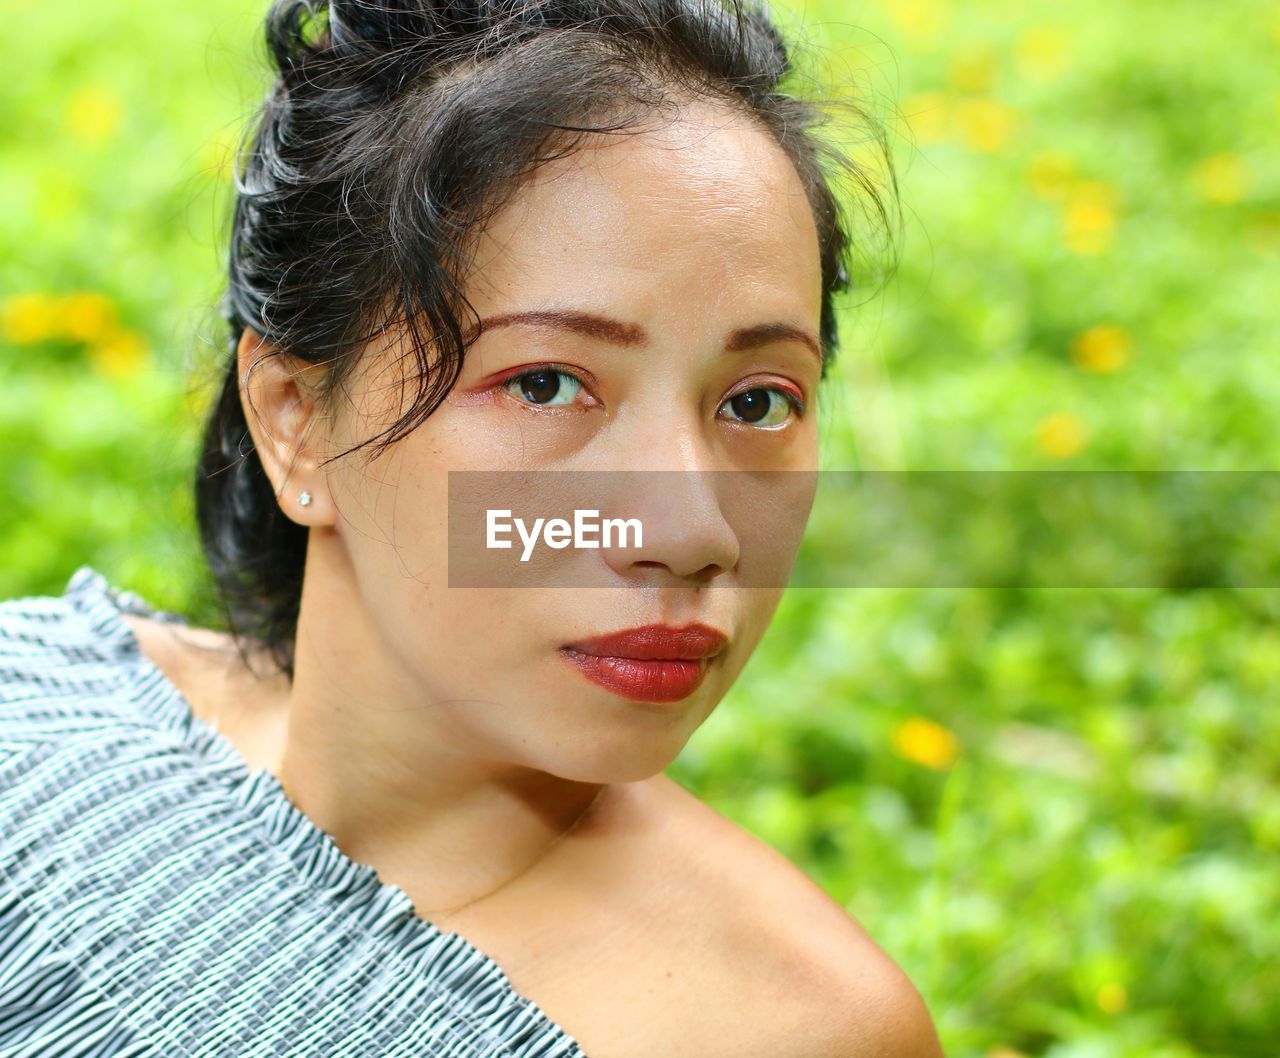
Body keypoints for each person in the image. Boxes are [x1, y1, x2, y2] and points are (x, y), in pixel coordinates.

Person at [0, 0, 942, 1054]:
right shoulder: (25, 724)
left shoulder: (785, 1030)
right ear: (297, 424)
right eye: (545, 382)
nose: (691, 528)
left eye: (757, 400)